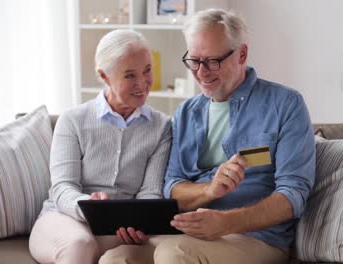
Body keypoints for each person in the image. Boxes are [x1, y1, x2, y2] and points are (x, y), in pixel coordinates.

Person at [100, 9, 315, 264]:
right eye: (194, 61)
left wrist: (226, 222)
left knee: (174, 255)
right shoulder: (186, 112)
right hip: (187, 233)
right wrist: (210, 190)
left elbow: (293, 194)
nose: (202, 72)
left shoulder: (285, 104)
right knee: (114, 258)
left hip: (255, 237)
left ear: (241, 54)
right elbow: (172, 187)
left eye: (213, 61)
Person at [28, 29, 172, 264]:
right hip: (65, 219)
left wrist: (138, 223)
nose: (142, 83)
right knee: (79, 244)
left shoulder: (162, 127)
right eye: (129, 75)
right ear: (104, 76)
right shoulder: (73, 119)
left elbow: (150, 193)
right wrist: (87, 206)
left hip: (121, 229)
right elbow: (63, 187)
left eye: (147, 70)